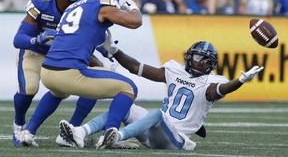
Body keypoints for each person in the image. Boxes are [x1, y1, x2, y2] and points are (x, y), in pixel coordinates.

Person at [58, 33, 263, 150]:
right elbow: (137, 68)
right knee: (125, 105)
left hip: (176, 139)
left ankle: (117, 136)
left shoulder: (211, 82)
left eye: (202, 60)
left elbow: (220, 90)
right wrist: (115, 51)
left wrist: (240, 81)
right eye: (194, 57)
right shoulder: (176, 70)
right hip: (153, 133)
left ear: (210, 65)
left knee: (157, 114)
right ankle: (80, 132)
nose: (196, 62)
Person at [20, 0, 142, 149]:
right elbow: (135, 21)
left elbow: (80, 38)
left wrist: (103, 44)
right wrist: (133, 7)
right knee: (129, 88)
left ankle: (29, 131)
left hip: (48, 71)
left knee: (60, 91)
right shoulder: (100, 5)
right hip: (69, 72)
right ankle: (111, 132)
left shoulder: (72, 8)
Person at [12, 0, 103, 148]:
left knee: (61, 90)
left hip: (58, 55)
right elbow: (18, 39)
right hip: (34, 52)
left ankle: (63, 129)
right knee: (29, 88)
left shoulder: (82, 5)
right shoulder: (42, 0)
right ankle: (19, 124)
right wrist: (38, 40)